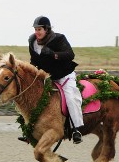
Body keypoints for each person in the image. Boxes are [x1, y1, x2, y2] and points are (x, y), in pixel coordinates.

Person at [20, 15, 84, 144]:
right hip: (48, 77)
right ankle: (29, 131)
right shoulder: (32, 41)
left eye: (39, 29)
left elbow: (70, 54)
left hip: (65, 75)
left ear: (46, 29)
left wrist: (54, 54)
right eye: (35, 29)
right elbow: (33, 61)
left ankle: (76, 129)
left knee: (70, 98)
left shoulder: (59, 38)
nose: (37, 32)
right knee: (30, 97)